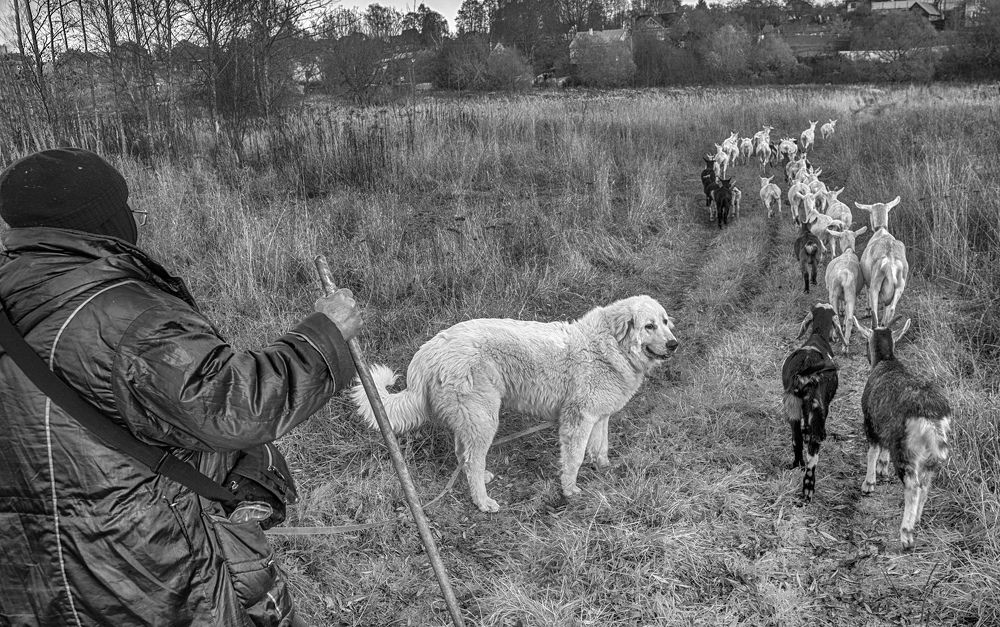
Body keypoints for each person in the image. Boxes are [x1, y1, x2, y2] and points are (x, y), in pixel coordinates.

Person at [0, 148, 363, 626]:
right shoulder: (127, 316)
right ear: (103, 219)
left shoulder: (17, 293)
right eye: (126, 208)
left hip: (32, 569)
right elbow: (238, 405)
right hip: (137, 566)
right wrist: (323, 335)